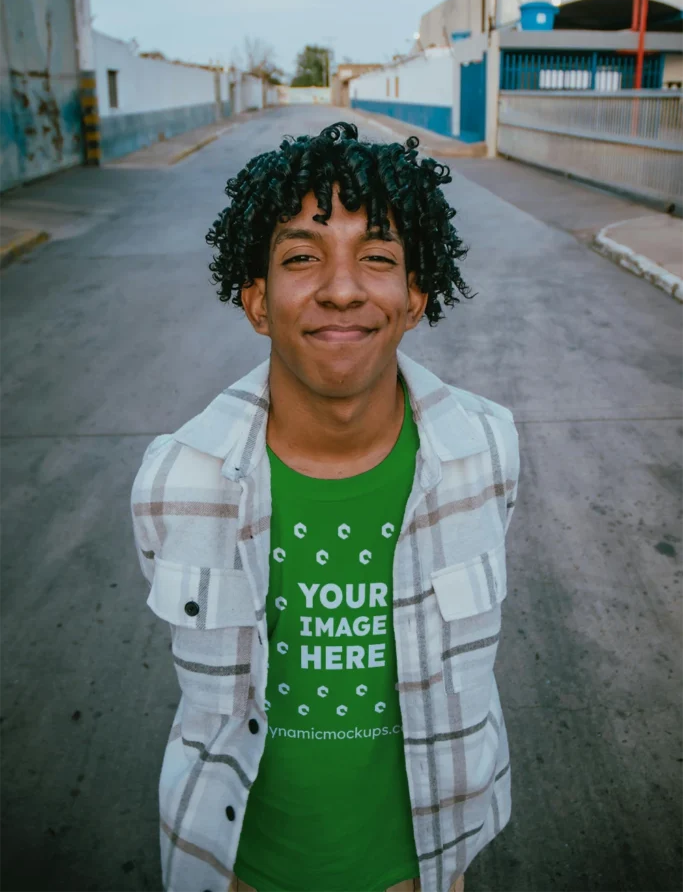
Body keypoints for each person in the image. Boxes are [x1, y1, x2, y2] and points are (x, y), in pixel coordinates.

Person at [131, 121, 519, 892]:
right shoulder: (178, 480)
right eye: (301, 257)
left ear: (414, 297)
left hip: (423, 867)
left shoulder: (485, 449)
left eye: (376, 257)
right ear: (256, 301)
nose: (341, 288)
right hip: (237, 870)